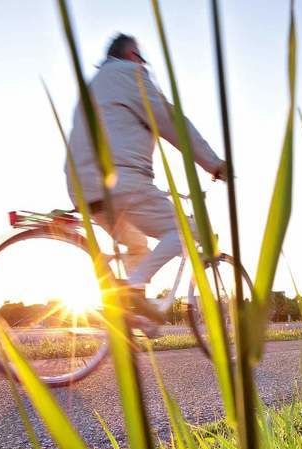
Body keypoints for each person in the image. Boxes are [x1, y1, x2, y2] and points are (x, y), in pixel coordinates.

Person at [65, 33, 226, 336]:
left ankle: (132, 317)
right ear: (131, 55)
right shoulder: (130, 74)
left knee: (137, 244)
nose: (143, 64)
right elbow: (170, 120)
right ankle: (132, 289)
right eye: (141, 58)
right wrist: (214, 164)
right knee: (185, 231)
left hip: (82, 187)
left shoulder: (94, 86)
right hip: (119, 181)